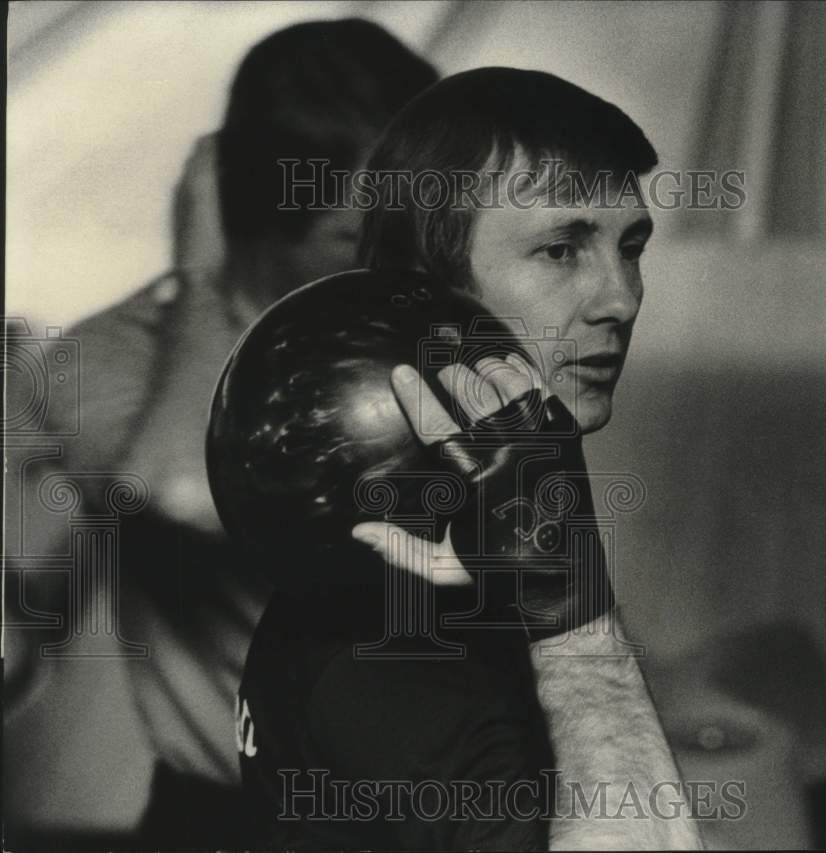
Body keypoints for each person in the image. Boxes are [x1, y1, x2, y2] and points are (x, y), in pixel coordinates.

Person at [237, 67, 703, 850]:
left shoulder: (445, 548)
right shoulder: (392, 652)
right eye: (562, 249)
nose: (619, 297)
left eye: (631, 248)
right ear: (431, 295)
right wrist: (579, 620)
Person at [5, 19, 437, 848]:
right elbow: (176, 486)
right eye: (362, 235)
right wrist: (201, 283)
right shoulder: (101, 363)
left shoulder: (414, 327)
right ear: (259, 224)